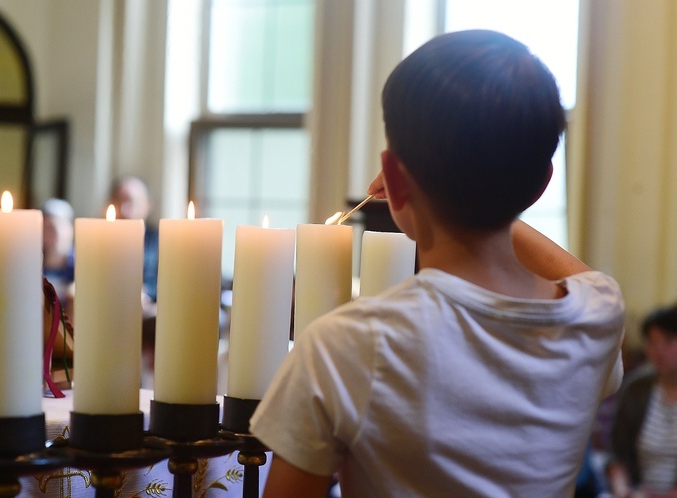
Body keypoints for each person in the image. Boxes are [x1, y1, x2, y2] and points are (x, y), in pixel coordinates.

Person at [249, 30, 625, 497]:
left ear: (393, 180)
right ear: (542, 184)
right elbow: (582, 277)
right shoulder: (597, 316)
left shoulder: (349, 344)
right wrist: (504, 202)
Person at [607, 305, 677, 497]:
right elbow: (617, 454)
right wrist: (622, 488)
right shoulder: (637, 388)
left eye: (668, 341)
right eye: (652, 342)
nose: (658, 350)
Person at [109, 174, 159, 318]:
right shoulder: (98, 242)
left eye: (132, 202)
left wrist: (144, 295)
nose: (125, 209)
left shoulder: (161, 241)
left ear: (148, 204)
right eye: (120, 201)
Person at [41, 198, 76, 312]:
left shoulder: (82, 267)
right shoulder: (31, 265)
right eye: (47, 226)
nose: (54, 230)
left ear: (71, 228)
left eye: (60, 224)